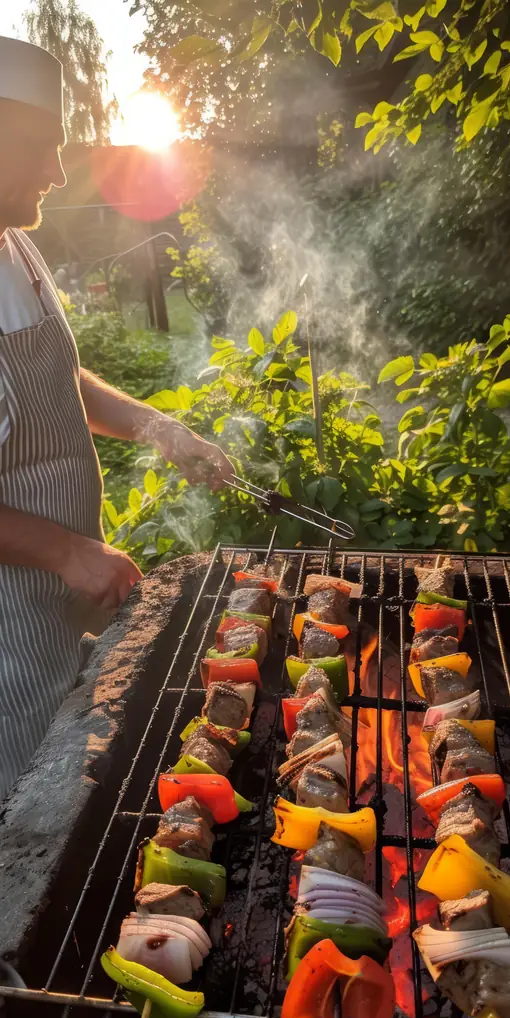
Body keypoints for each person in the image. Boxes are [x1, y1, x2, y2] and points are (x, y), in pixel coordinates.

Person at [0, 37, 233, 799]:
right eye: (43, 149)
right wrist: (69, 551)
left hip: (63, 595)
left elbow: (62, 381)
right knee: (33, 808)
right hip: (10, 631)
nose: (59, 173)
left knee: (83, 773)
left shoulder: (17, 249)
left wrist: (158, 427)